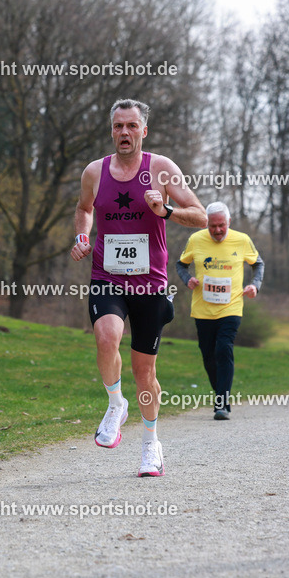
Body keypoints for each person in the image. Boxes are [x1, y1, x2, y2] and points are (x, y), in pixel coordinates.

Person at [71, 98, 206, 477]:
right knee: (105, 336)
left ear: (143, 131)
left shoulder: (161, 169)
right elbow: (84, 209)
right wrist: (83, 237)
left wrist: (166, 211)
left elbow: (198, 214)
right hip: (107, 275)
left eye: (132, 126)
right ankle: (115, 404)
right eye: (118, 126)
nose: (124, 133)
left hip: (150, 282)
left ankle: (151, 444)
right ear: (111, 130)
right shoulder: (95, 172)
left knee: (144, 371)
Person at [175, 201, 265, 420]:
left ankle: (221, 404)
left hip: (231, 306)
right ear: (207, 223)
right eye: (212, 226)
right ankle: (221, 395)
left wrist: (255, 285)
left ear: (229, 222)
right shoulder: (196, 240)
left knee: (224, 348)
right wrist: (187, 279)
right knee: (208, 355)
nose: (217, 230)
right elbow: (180, 264)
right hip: (203, 309)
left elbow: (258, 263)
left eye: (221, 225)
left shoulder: (242, 240)